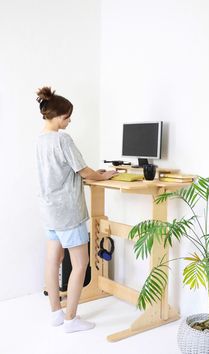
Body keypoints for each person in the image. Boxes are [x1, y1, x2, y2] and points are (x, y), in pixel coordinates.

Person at [36, 86, 117, 333]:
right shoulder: (62, 139)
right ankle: (71, 319)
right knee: (80, 264)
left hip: (49, 211)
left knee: (53, 261)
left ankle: (56, 314)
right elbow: (83, 170)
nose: (70, 121)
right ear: (58, 116)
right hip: (68, 212)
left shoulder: (39, 140)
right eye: (68, 116)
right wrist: (103, 176)